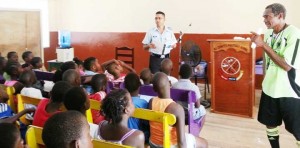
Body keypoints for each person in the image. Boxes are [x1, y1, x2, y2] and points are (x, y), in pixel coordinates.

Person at [251, 3, 300, 148]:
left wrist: (263, 45)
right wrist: (266, 78)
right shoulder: (268, 33)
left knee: (297, 130)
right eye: (263, 17)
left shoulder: (294, 34)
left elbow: (286, 65)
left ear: (280, 16)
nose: (265, 20)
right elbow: (267, 59)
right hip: (269, 89)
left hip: (288, 91)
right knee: (270, 124)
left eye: (268, 16)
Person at [149, 72, 207, 148]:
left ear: (154, 89)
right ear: (170, 84)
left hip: (153, 143)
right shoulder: (176, 108)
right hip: (170, 144)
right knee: (204, 143)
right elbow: (181, 142)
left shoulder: (151, 102)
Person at [124, 72, 150, 142]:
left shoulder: (121, 102)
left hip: (123, 135)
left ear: (124, 86)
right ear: (139, 86)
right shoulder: (144, 103)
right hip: (138, 137)